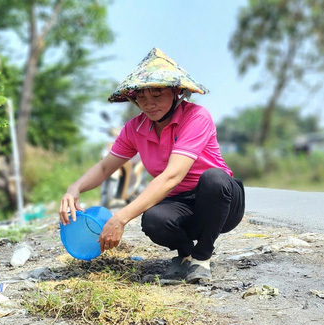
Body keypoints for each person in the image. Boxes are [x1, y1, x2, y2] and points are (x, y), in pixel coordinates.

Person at [59, 48, 245, 283]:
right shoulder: (135, 128)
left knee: (213, 179)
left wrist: (120, 219)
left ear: (176, 92)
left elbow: (172, 177)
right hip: (180, 203)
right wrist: (74, 188)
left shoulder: (196, 117)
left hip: (222, 202)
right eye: (142, 98)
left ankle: (202, 256)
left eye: (157, 96)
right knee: (153, 219)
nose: (149, 104)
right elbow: (106, 167)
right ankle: (185, 254)